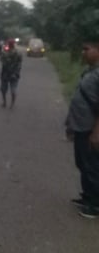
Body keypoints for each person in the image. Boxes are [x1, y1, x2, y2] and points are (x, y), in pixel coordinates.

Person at [65, 39, 99, 219]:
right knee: (83, 164)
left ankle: (95, 205)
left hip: (90, 129)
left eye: (87, 49)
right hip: (80, 126)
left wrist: (96, 132)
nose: (83, 53)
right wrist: (70, 124)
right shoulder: (90, 72)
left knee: (92, 166)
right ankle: (87, 197)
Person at [0, 39, 23, 108]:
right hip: (13, 73)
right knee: (11, 89)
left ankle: (5, 103)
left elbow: (2, 60)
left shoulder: (5, 52)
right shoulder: (18, 52)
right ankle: (11, 104)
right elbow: (20, 63)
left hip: (7, 73)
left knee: (4, 89)